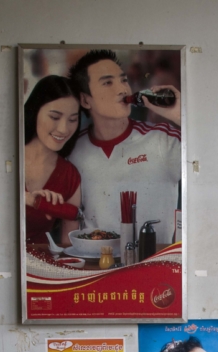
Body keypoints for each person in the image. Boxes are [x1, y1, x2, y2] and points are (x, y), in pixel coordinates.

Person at [68, 50, 181, 246]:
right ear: (85, 100)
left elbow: (216, 165)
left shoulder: (163, 139)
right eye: (107, 83)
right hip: (95, 261)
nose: (122, 89)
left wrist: (180, 116)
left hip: (152, 260)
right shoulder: (72, 149)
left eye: (123, 80)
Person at [24, 75, 82, 246]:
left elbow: (69, 245)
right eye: (55, 117)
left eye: (72, 120)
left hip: (41, 260)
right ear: (35, 111)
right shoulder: (4, 158)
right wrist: (27, 199)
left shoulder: (69, 175)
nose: (64, 129)